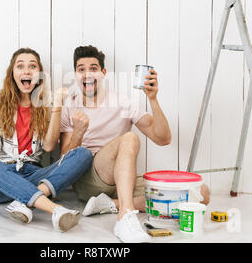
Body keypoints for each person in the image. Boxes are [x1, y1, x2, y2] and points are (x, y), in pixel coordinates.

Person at [60, 45, 210, 242]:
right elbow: (64, 161)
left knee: (200, 194)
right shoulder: (70, 104)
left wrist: (153, 99)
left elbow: (163, 139)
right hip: (89, 177)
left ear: (103, 73)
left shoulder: (123, 102)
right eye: (81, 69)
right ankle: (126, 215)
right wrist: (78, 133)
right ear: (75, 75)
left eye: (93, 68)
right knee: (130, 138)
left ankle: (111, 203)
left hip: (121, 178)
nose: (87, 73)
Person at [0, 48, 93, 233]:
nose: (27, 71)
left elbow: (48, 145)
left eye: (32, 66)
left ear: (39, 75)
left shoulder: (45, 104)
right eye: (20, 66)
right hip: (1, 176)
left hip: (31, 176)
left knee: (83, 154)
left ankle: (23, 202)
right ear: (12, 73)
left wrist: (57, 106)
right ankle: (55, 210)